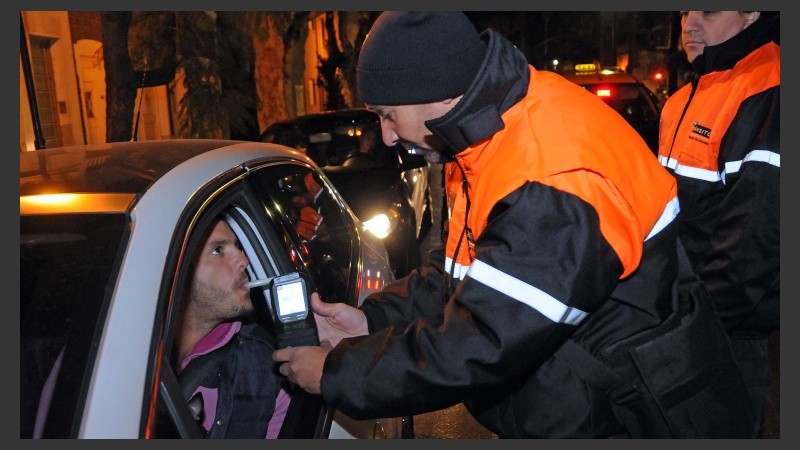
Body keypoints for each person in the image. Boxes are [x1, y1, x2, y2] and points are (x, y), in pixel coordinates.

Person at [273, 11, 714, 438]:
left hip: (618, 416)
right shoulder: (491, 130)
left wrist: (337, 372)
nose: (386, 135)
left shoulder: (551, 180)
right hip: (583, 401)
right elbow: (466, 278)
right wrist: (372, 321)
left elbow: (483, 340)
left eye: (388, 114)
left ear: (438, 92)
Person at [658, 11, 780, 438]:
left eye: (707, 10)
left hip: (722, 336)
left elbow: (754, 240)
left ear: (751, 13)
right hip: (680, 321)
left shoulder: (771, 85)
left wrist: (692, 332)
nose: (689, 23)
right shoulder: (682, 98)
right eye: (683, 11)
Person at [175, 217, 290, 438]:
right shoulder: (124, 347)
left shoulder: (267, 370)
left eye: (237, 246)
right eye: (218, 250)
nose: (244, 260)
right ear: (179, 272)